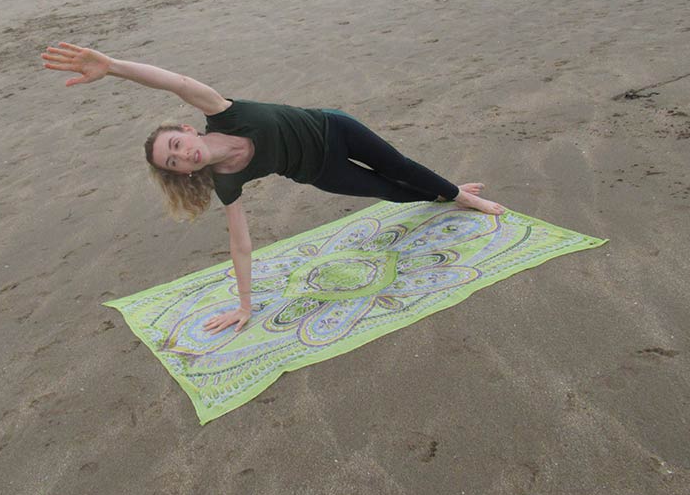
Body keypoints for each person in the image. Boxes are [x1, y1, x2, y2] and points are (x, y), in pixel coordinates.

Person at [41, 43, 505, 334]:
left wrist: (114, 67)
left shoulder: (222, 111)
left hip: (335, 129)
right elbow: (240, 243)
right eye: (174, 162)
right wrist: (244, 306)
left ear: (188, 129)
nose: (183, 156)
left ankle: (460, 196)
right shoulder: (226, 181)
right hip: (320, 172)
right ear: (182, 173)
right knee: (389, 190)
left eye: (178, 145)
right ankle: (441, 192)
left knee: (398, 164)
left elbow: (174, 81)